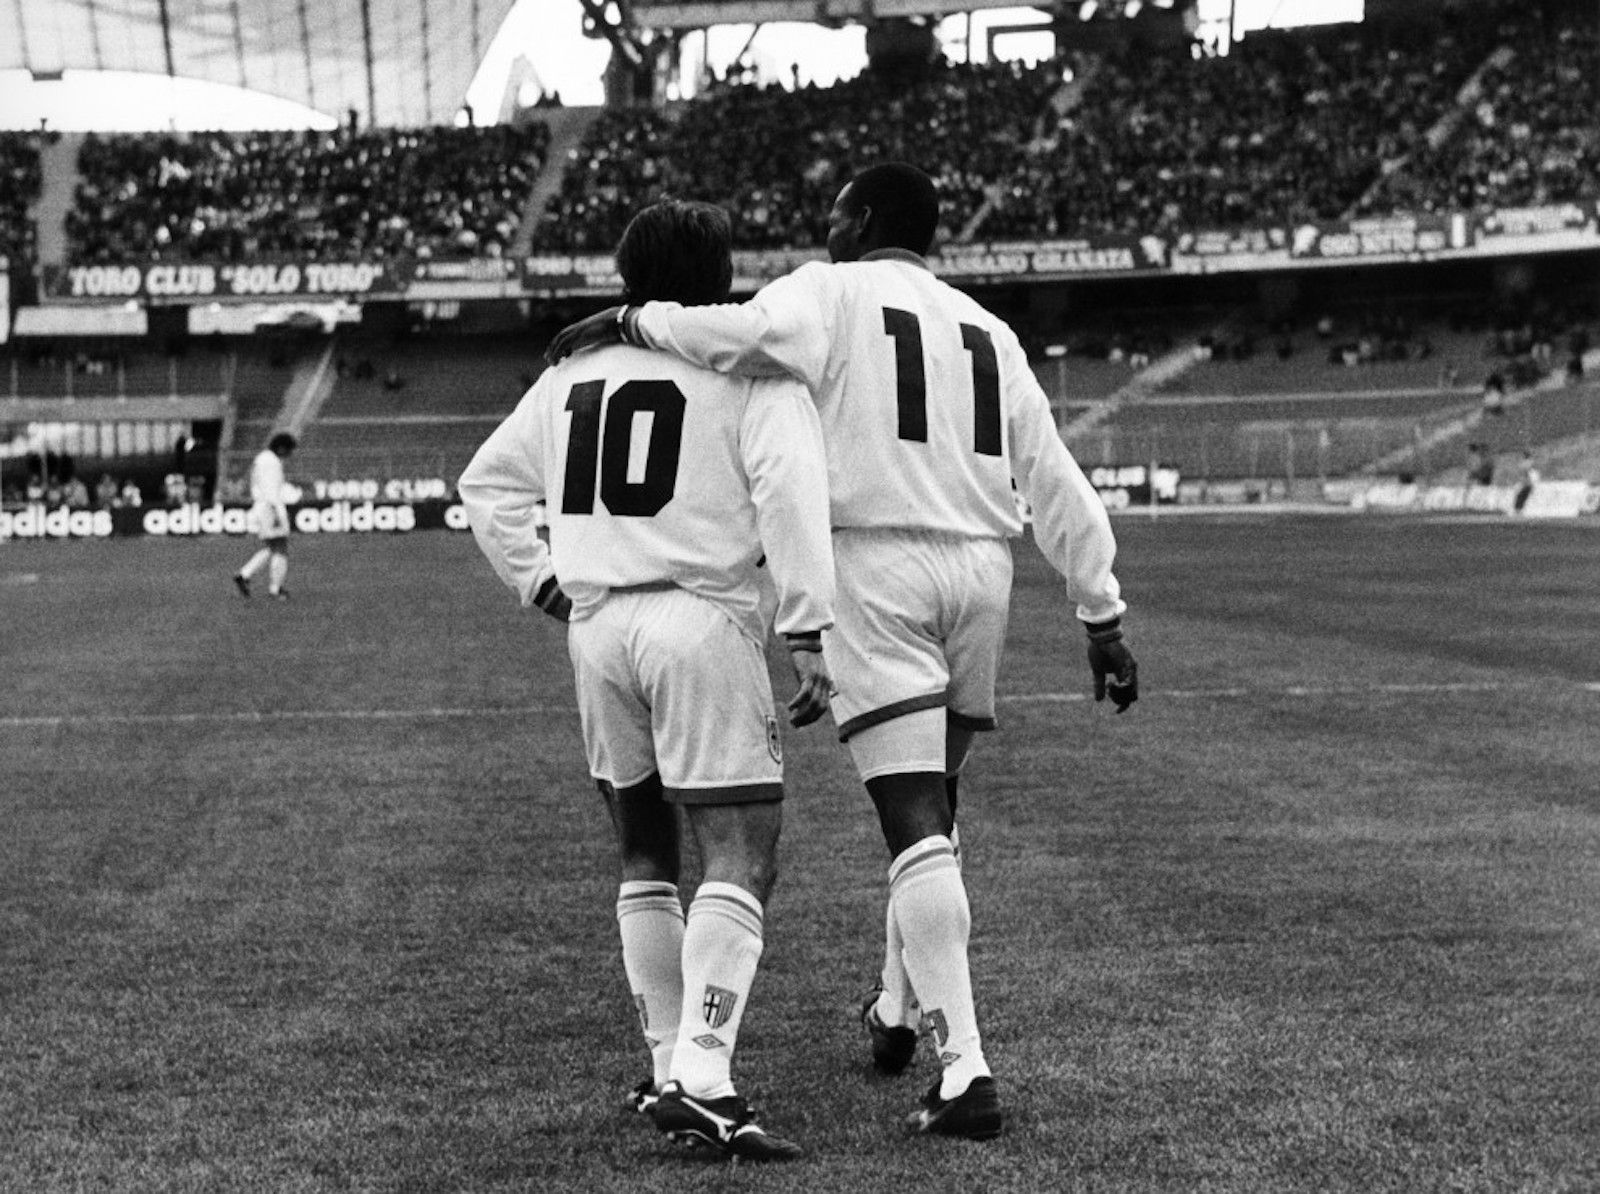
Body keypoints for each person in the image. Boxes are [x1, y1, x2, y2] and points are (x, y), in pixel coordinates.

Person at [548, 162, 1138, 1142]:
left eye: (832, 211)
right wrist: (1101, 612)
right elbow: (1055, 476)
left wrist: (632, 320)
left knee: (915, 821)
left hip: (876, 565)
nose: (823, 227)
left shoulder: (825, 291)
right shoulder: (987, 329)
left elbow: (740, 335)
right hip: (979, 571)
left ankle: (964, 1068)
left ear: (859, 219)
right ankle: (898, 1010)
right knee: (934, 810)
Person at [458, 200, 836, 1163]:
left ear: (627, 277)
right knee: (741, 849)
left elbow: (485, 486)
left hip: (598, 629)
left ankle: (669, 1063)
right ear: (721, 279)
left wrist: (542, 581)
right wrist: (807, 627)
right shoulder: (747, 370)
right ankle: (704, 1079)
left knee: (643, 850)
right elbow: (792, 498)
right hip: (698, 620)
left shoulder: (571, 371)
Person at [233, 431, 296, 600]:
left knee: (272, 547)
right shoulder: (271, 462)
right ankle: (276, 589)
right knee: (280, 547)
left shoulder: (262, 459)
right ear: (281, 448)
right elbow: (271, 488)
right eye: (289, 450)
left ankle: (244, 574)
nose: (289, 454)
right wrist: (276, 511)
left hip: (263, 506)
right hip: (270, 506)